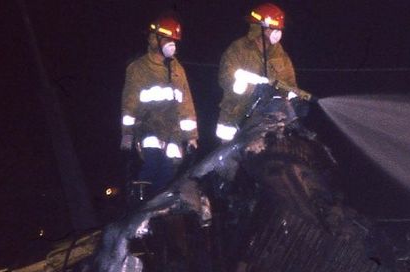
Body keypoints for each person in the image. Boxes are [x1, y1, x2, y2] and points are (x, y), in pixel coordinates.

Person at [120, 14, 199, 199]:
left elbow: (186, 105)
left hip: (173, 133)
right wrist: (128, 133)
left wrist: (192, 137)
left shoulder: (178, 70)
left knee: (169, 172)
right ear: (155, 39)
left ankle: (159, 206)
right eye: (167, 39)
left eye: (174, 40)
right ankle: (140, 206)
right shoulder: (139, 68)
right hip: (149, 127)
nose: (171, 44)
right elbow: (129, 102)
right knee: (153, 164)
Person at [216, 3, 298, 142]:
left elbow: (290, 84)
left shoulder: (281, 55)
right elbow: (225, 78)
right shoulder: (239, 49)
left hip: (267, 122)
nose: (278, 33)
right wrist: (253, 89)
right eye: (273, 29)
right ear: (260, 28)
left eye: (279, 29)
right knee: (229, 161)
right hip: (235, 118)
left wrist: (294, 99)